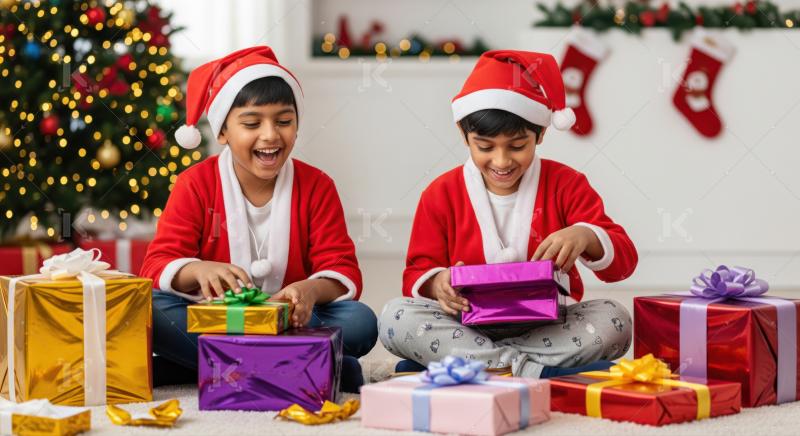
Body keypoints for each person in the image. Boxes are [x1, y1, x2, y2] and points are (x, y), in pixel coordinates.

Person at [378, 50, 638, 378]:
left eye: (517, 146)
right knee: (395, 317)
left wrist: (586, 235)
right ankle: (528, 368)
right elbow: (417, 271)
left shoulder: (566, 184)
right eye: (485, 147)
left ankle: (476, 364)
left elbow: (623, 264)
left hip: (549, 325)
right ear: (463, 134)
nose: (501, 161)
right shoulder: (440, 193)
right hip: (465, 325)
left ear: (540, 134)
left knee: (615, 320)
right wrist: (438, 283)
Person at [140, 46, 377, 391]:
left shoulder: (317, 186)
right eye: (252, 123)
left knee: (360, 321)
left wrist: (309, 289)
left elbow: (342, 269)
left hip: (290, 320)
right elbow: (157, 265)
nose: (270, 135)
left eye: (284, 121)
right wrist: (198, 270)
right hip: (219, 318)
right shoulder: (195, 184)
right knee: (149, 309)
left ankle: (211, 367)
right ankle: (304, 366)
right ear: (222, 132)